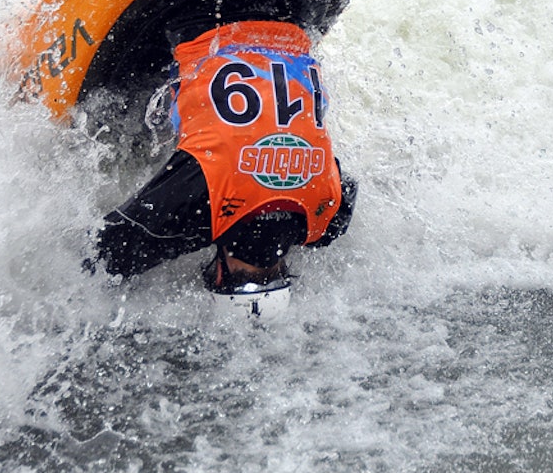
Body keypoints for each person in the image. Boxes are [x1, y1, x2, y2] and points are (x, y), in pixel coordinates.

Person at [87, 16, 355, 292]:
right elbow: (98, 254)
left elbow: (343, 184)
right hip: (201, 15)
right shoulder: (203, 213)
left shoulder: (326, 221)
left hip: (296, 13)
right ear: (218, 276)